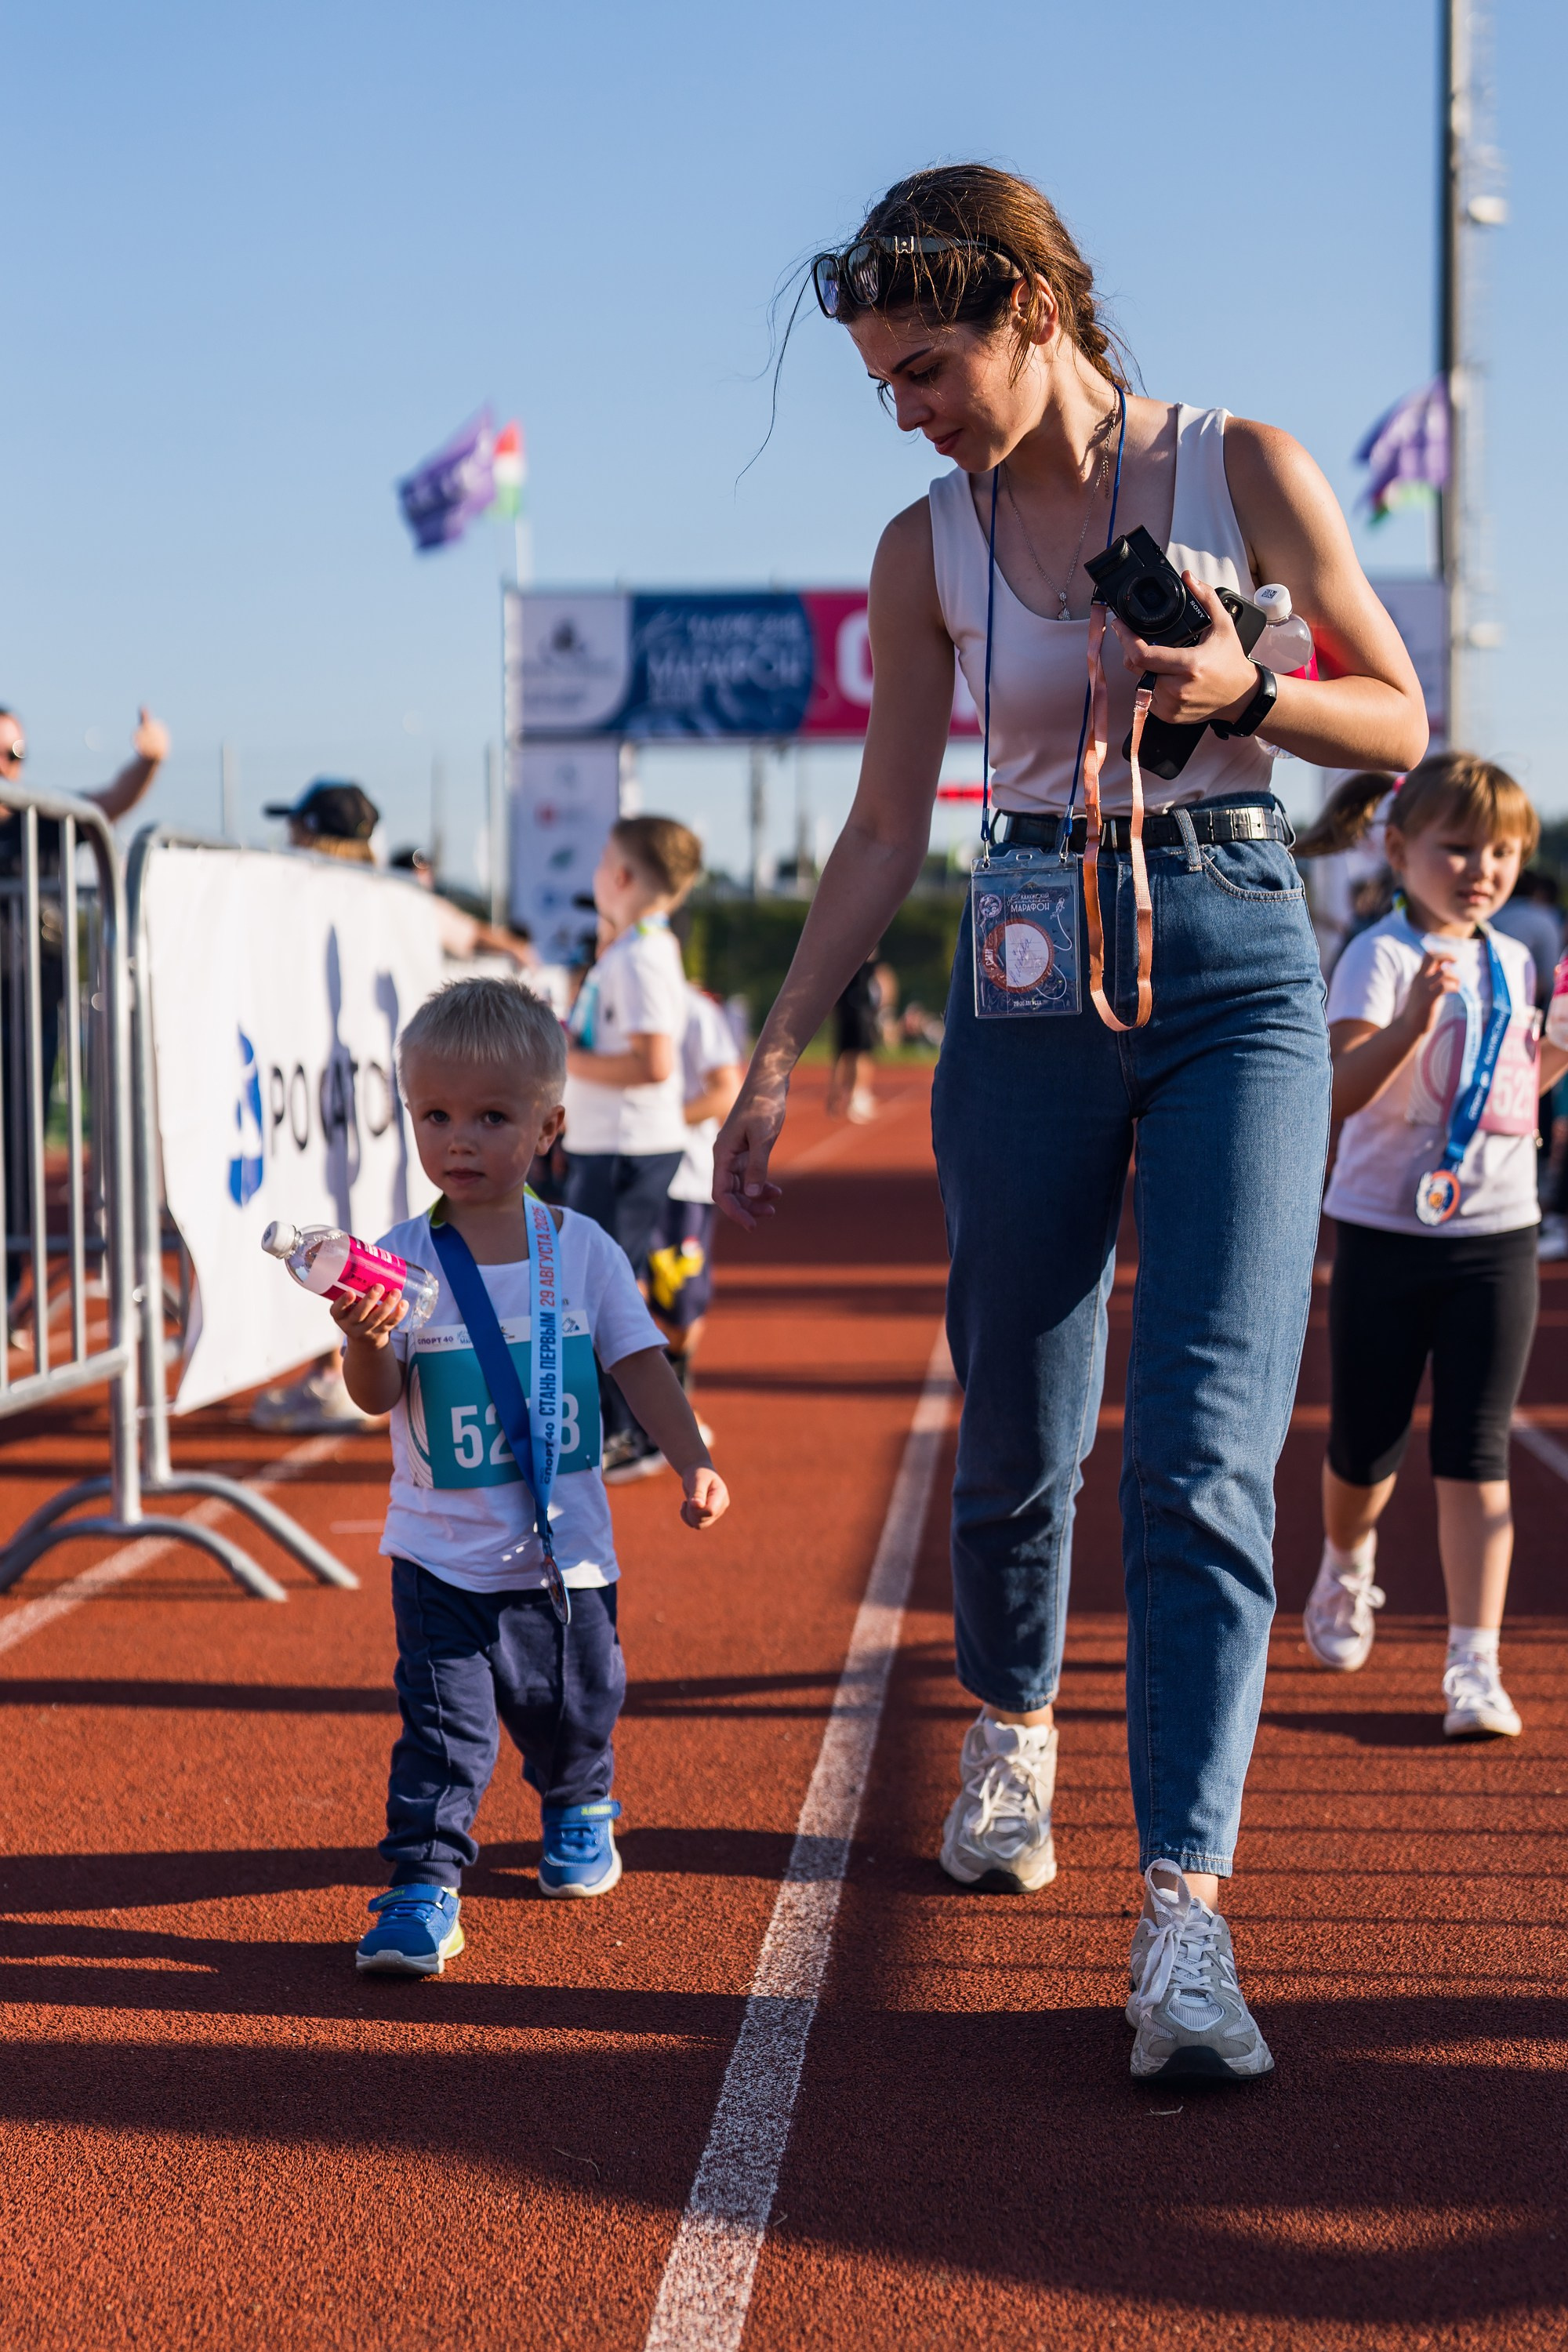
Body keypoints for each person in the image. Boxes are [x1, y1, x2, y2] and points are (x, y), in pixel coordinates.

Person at [713, 163, 1428, 2085]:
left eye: (927, 363)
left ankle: (1184, 1910)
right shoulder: (920, 545)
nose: (907, 408)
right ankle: (1010, 1726)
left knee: (1200, 1446)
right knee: (1019, 1416)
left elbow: (1399, 716)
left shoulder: (1240, 464)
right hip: (1025, 955)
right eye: (881, 380)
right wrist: (776, 1049)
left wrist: (1246, 685)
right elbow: (880, 828)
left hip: (1236, 960)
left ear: (1034, 304)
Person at [327, 976, 728, 1975]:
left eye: (491, 1117)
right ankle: (422, 1885)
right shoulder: (398, 1263)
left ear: (549, 1127)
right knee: (442, 1735)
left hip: (562, 1559)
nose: (458, 1140)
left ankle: (579, 1797)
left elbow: (641, 1363)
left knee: (575, 1704)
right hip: (435, 1558)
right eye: (434, 1115)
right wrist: (360, 1336)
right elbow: (377, 1397)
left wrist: (694, 1461)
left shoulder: (581, 1248)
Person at [1294, 757, 1564, 1738]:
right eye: (1456, 847)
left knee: (1474, 1447)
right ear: (1398, 850)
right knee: (1364, 1448)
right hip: (1381, 1229)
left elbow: (1504, 1093)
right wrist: (1409, 1020)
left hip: (1496, 1234)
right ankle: (1346, 1565)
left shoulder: (1517, 960)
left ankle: (1472, 1665)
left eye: (1500, 851)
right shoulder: (1377, 953)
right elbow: (1335, 1090)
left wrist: (1561, 1045)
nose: (1479, 868)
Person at [0, 705, 169, 1312]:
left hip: (26, 1012)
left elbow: (112, 801)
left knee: (18, 1145)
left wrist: (148, 759)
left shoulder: (40, 821)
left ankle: (9, 1285)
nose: (7, 768)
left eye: (14, 755)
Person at [563, 815, 704, 1480]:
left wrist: (566, 1058)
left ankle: (635, 1433)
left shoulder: (646, 955)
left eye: (600, 861)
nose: (594, 874)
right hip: (609, 1147)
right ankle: (626, 1428)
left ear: (619, 877)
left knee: (600, 1294)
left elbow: (653, 1064)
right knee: (594, 1289)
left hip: (626, 1151)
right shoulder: (630, 947)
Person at [251, 780, 383, 1434]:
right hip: (345, 1098)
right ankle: (340, 1369)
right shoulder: (390, 900)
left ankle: (335, 1375)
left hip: (334, 1098)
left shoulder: (306, 899)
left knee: (328, 1225)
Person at [648, 983, 743, 1441]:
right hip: (616, 1174)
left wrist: (655, 1127)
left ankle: (677, 1394)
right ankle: (629, 1415)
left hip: (681, 1181)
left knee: (679, 1305)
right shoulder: (599, 996)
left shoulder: (696, 1011)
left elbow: (728, 1090)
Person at [826, 956, 883, 1120]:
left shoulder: (839, 962)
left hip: (844, 1008)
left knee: (842, 1053)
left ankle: (837, 1096)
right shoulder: (869, 964)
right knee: (862, 1053)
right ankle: (858, 1095)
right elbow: (884, 980)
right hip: (860, 1011)